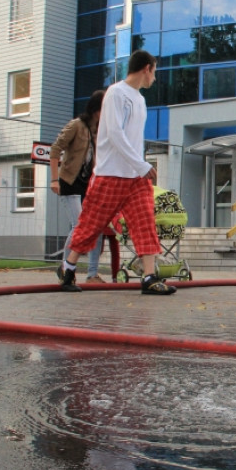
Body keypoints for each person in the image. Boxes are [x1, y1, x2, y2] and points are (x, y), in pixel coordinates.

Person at [56, 49, 176, 295]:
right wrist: (142, 165)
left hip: (135, 178)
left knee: (145, 223)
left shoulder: (140, 100)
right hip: (110, 174)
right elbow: (114, 134)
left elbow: (132, 139)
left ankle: (150, 277)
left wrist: (139, 167)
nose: (155, 77)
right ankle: (68, 269)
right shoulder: (115, 94)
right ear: (147, 68)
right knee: (91, 223)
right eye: (155, 71)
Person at [50, 89, 105, 283]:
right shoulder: (77, 125)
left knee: (95, 226)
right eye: (103, 109)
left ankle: (92, 273)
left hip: (87, 184)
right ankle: (66, 269)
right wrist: (54, 179)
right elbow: (55, 149)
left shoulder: (96, 130)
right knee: (79, 225)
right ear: (96, 109)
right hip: (69, 182)